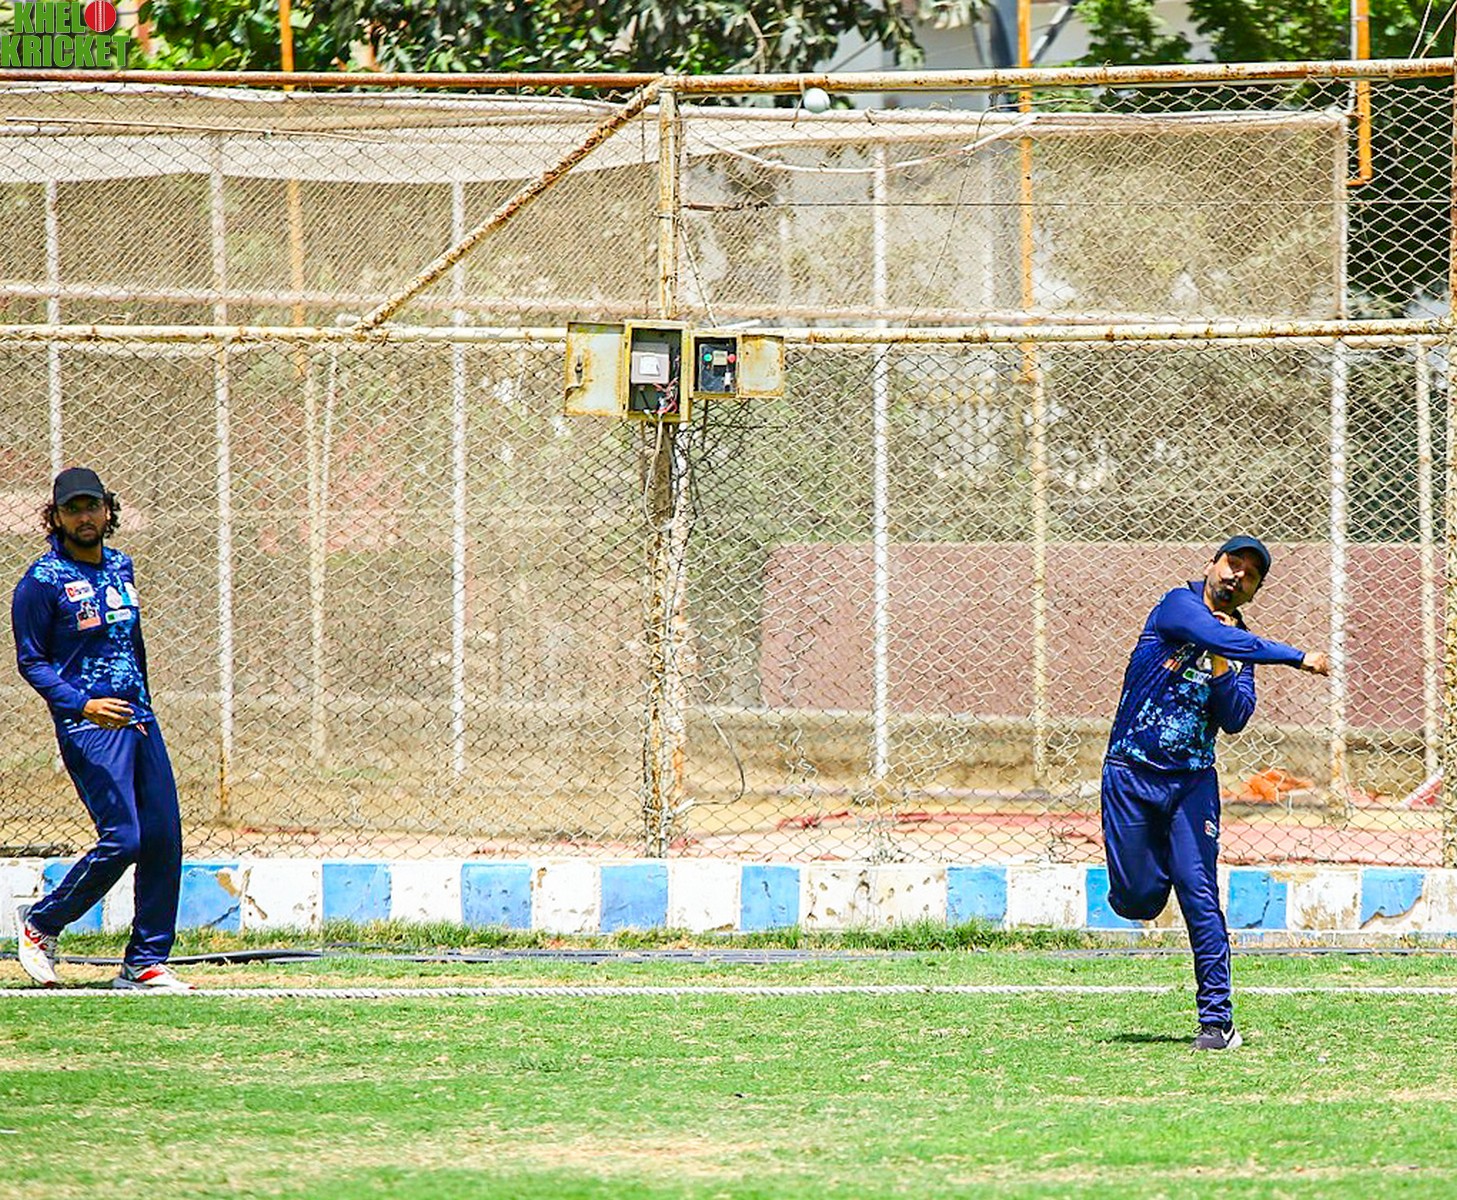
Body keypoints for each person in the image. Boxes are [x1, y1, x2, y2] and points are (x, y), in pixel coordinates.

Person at [1101, 536, 1327, 1051]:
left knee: (1199, 894)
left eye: (1250, 575)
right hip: (1131, 773)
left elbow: (1236, 717)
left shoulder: (1240, 646)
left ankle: (1217, 1023)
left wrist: (1224, 659)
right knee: (1138, 900)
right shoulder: (1176, 605)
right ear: (1212, 564)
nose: (1236, 575)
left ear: (1253, 592)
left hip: (1192, 784)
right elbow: (1204, 632)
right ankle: (1154, 865)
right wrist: (1298, 657)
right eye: (1232, 563)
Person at [10, 467, 192, 992]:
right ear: (56, 517)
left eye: (92, 506)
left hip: (138, 719)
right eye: (73, 509)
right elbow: (31, 661)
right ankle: (42, 922)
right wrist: (83, 705)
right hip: (88, 726)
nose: (84, 517)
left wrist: (144, 705)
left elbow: (130, 645)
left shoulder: (120, 566)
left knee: (163, 838)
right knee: (124, 839)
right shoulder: (42, 581)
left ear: (108, 511)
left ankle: (145, 961)